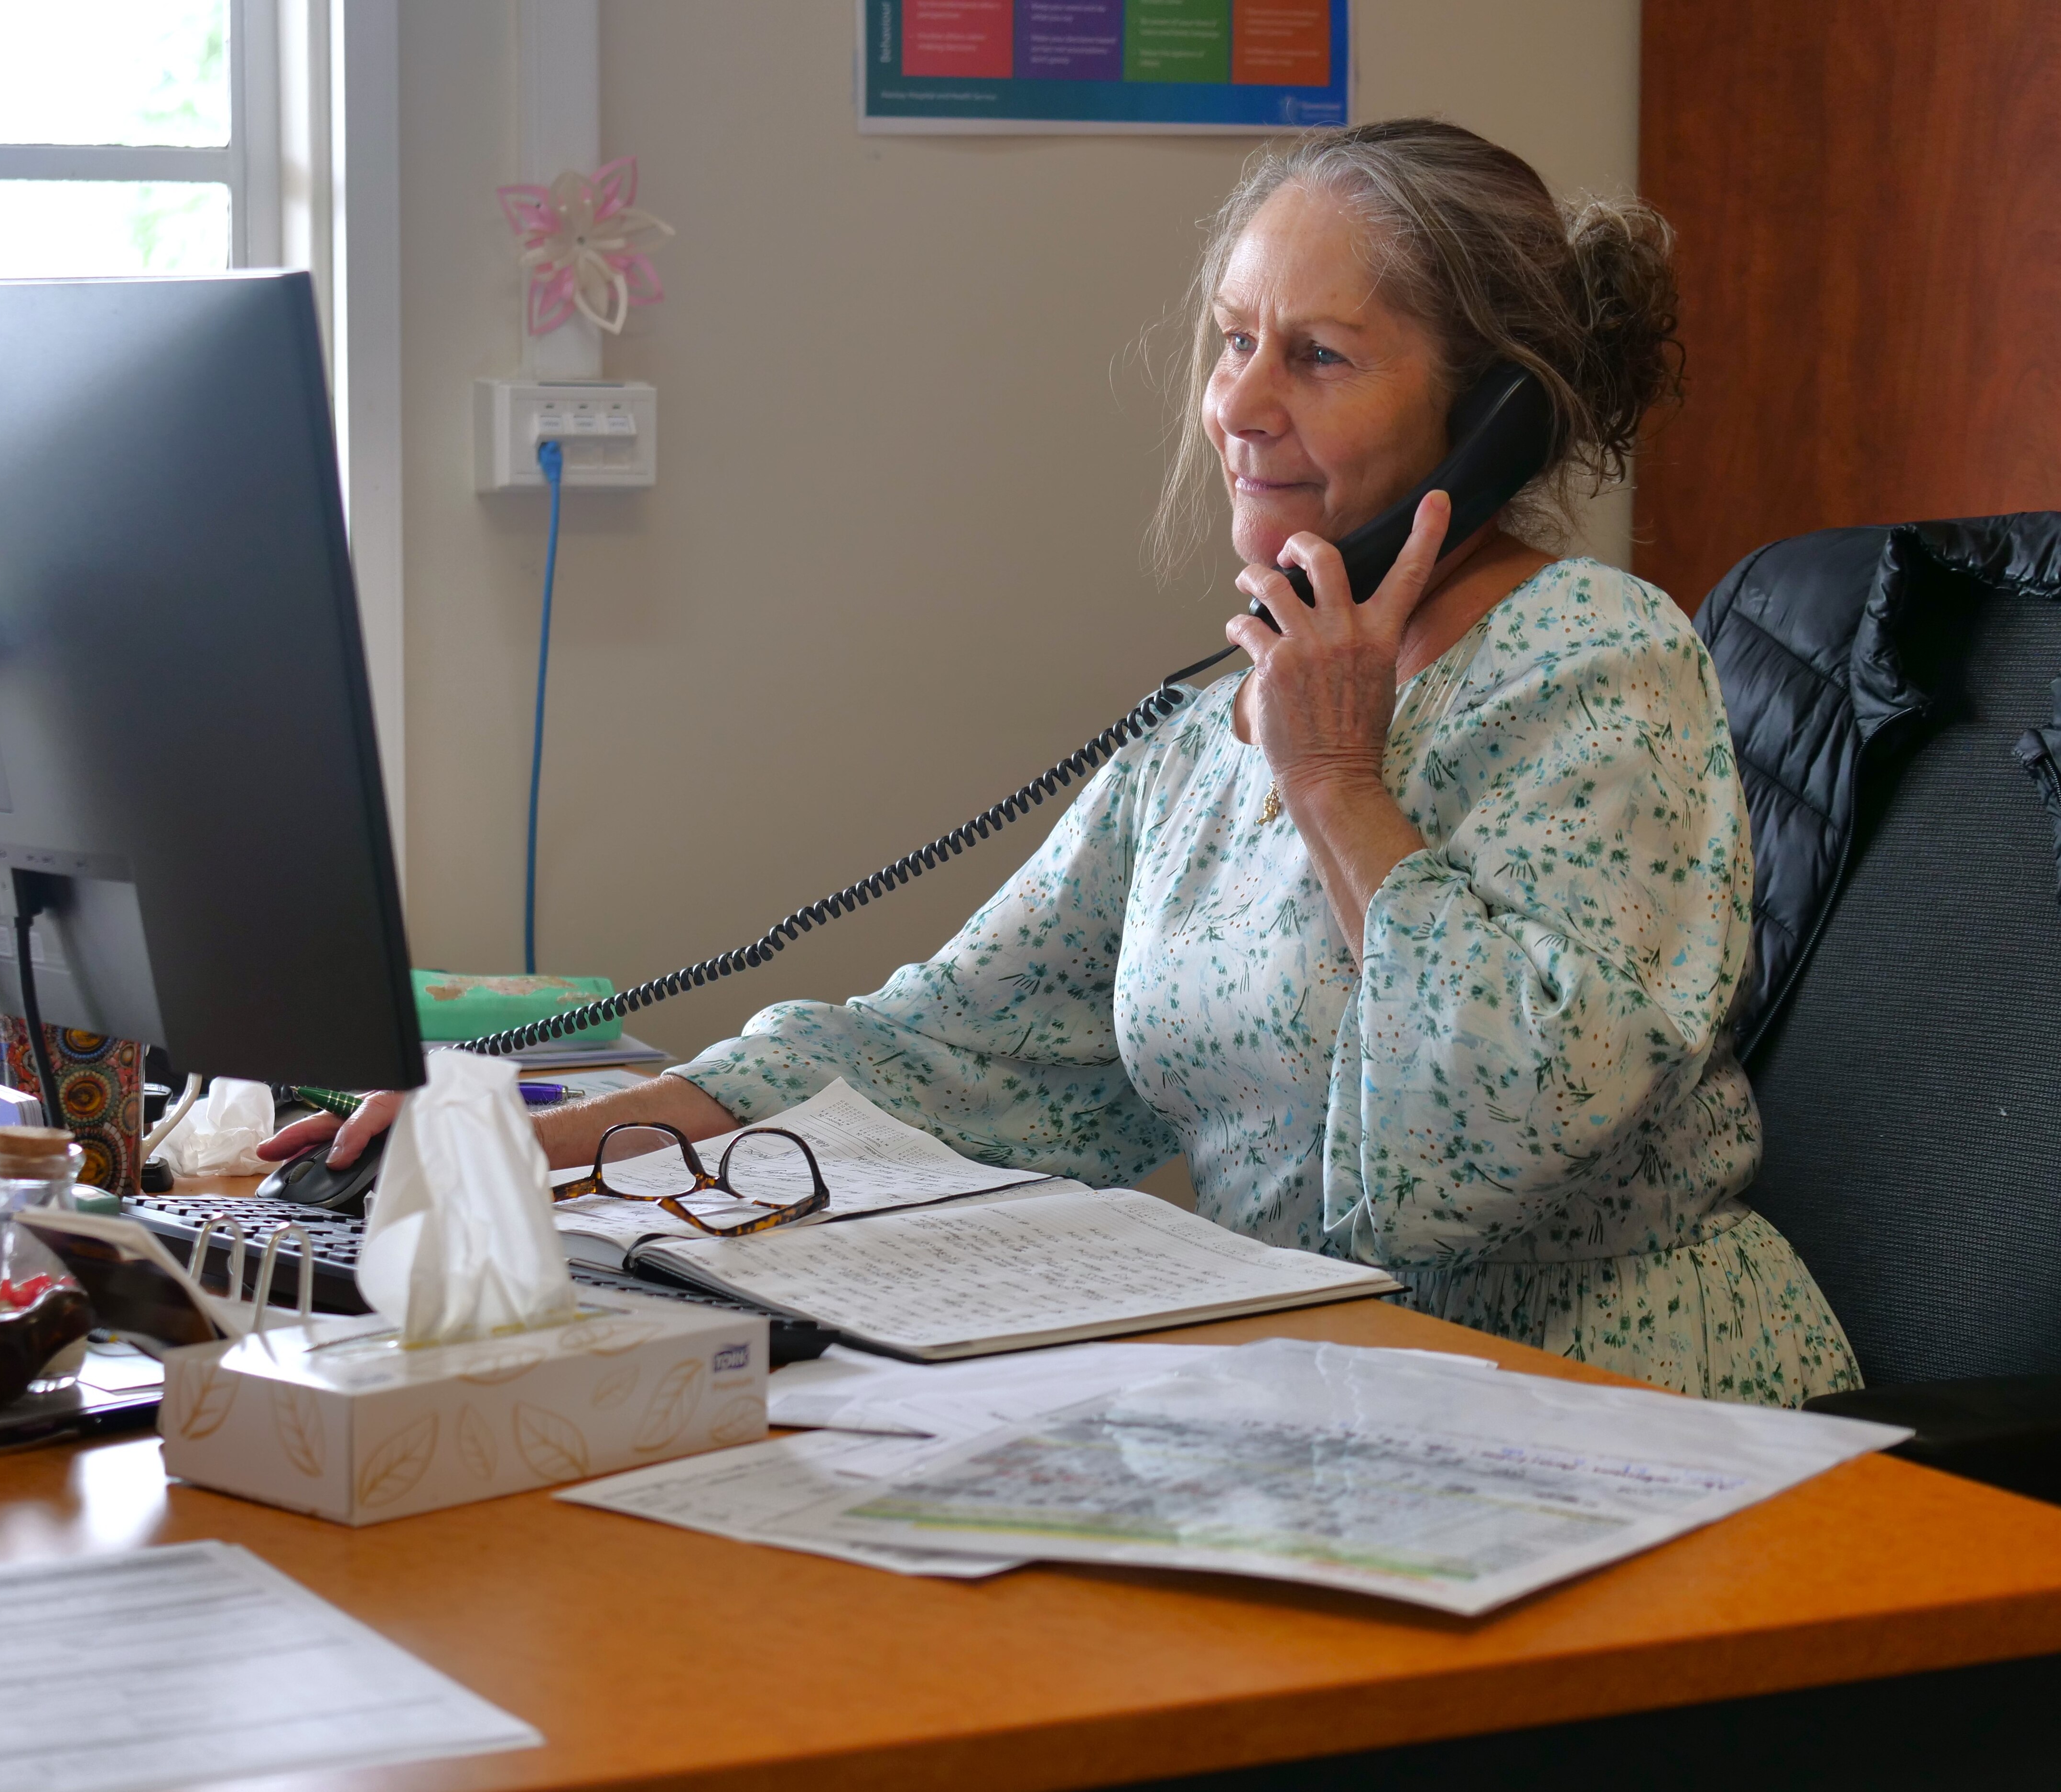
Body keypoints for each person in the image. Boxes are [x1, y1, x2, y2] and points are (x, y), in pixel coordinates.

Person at [267, 118, 1860, 1406]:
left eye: (1316, 356)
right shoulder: (1209, 730)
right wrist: (534, 1138)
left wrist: (1339, 794)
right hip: (1327, 1402)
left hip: (1614, 1414)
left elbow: (1508, 1122)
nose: (1238, 403)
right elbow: (956, 1049)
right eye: (1233, 341)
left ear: (1491, 413)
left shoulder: (1603, 662)